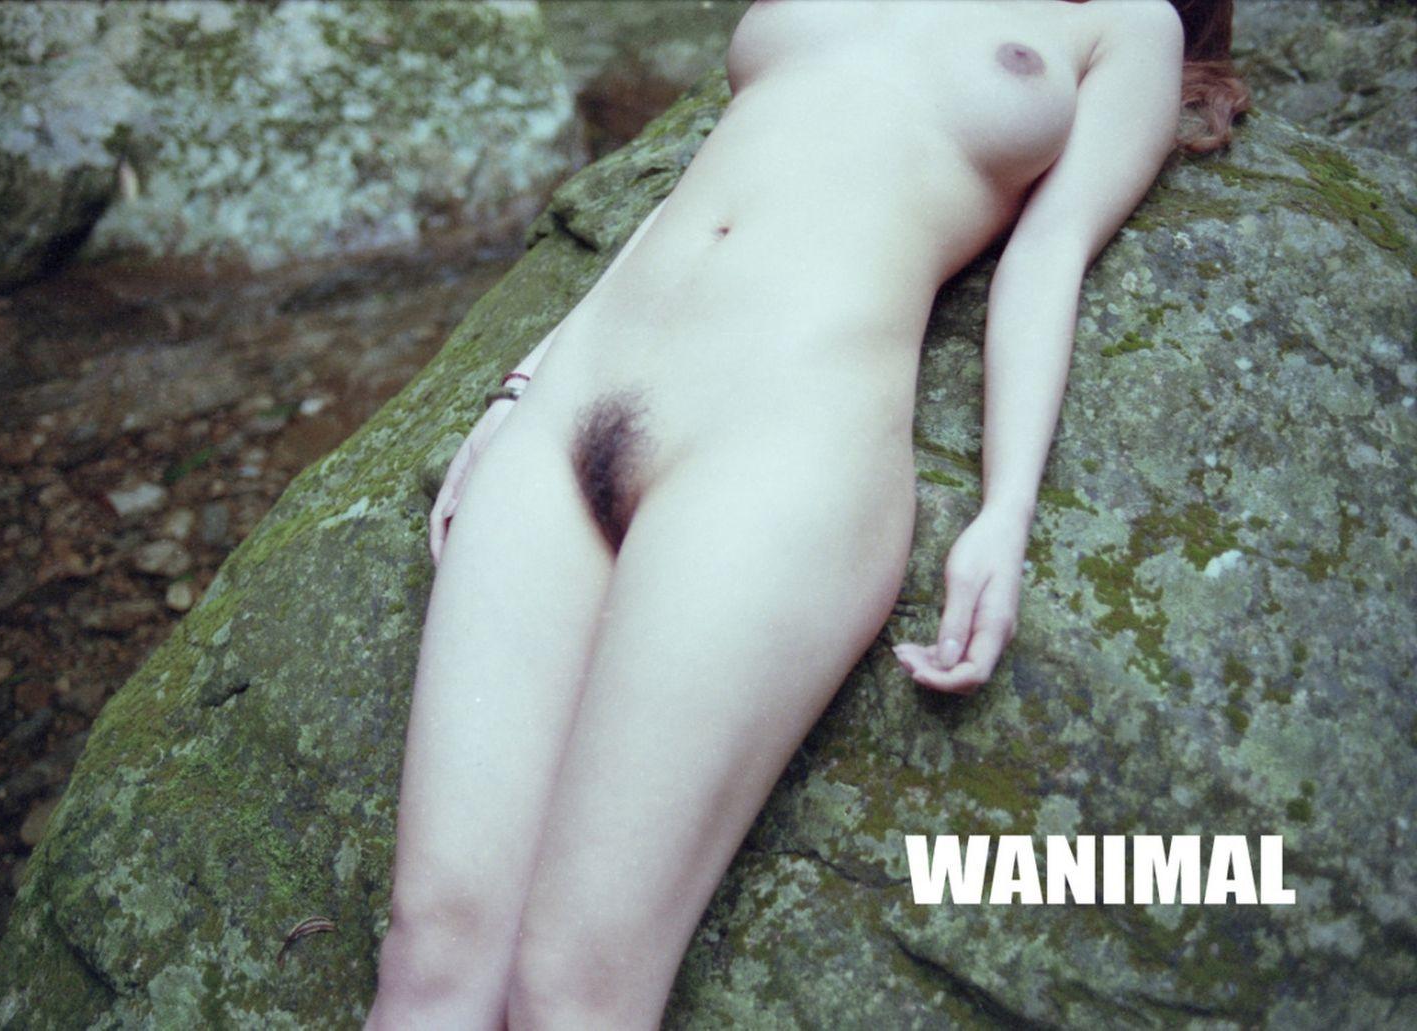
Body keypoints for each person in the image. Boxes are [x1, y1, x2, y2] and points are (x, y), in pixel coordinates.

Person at [365, 0, 1250, 1027]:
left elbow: (1049, 256)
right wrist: (525, 380)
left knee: (573, 985)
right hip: (574, 407)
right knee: (434, 949)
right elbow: (716, 176)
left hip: (777, 443)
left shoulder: (1124, 25)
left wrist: (1005, 511)